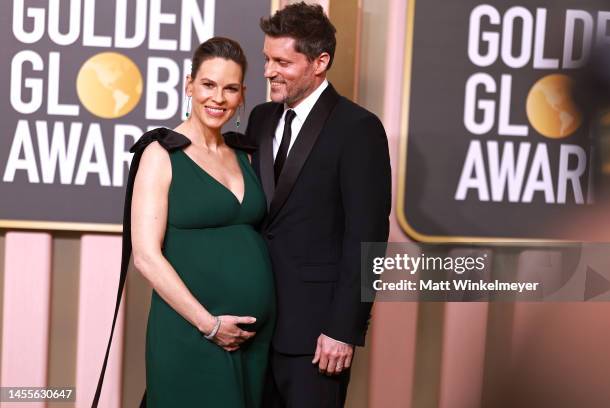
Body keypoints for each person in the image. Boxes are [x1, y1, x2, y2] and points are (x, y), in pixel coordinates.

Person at [92, 37, 275, 408]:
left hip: (252, 340)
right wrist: (209, 324)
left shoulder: (245, 154)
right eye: (208, 84)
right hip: (191, 332)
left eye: (230, 88)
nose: (218, 98)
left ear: (242, 95)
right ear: (189, 85)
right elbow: (145, 256)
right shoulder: (160, 154)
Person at [244, 3, 391, 407]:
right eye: (266, 59)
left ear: (320, 62)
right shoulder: (259, 119)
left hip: (317, 336)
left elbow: (369, 238)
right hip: (254, 330)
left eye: (282, 62)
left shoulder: (358, 129)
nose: (268, 71)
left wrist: (344, 328)